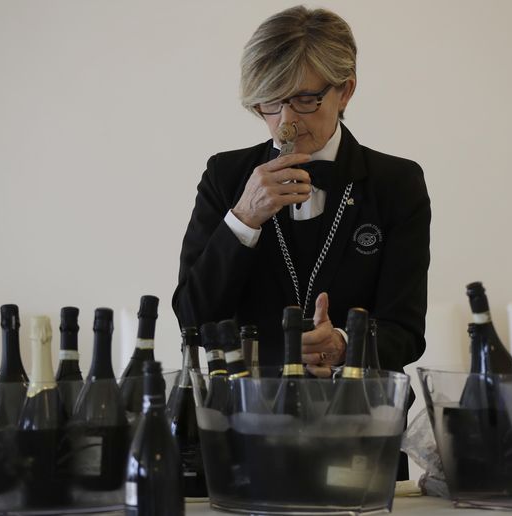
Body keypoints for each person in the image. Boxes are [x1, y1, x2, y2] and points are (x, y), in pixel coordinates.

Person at [172, 5, 429, 416]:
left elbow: (406, 330)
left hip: (361, 418)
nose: (285, 122)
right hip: (247, 417)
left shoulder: (396, 183)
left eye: (305, 100)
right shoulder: (225, 175)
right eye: (269, 104)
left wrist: (343, 344)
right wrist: (243, 217)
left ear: (345, 90)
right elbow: (193, 320)